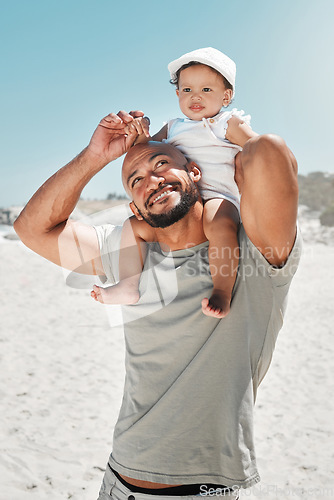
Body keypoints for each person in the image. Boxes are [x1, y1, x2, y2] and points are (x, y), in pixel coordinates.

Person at [14, 109, 300, 499]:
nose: (151, 180)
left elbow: (268, 152)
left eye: (162, 163)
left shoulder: (255, 255)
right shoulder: (128, 252)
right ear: (135, 207)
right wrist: (94, 156)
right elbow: (32, 229)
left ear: (194, 172)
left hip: (204, 489)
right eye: (136, 180)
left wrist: (224, 131)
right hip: (118, 483)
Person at [93, 48, 257, 319]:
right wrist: (138, 130)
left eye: (206, 89)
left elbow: (258, 148)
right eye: (187, 89)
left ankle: (222, 291)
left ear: (226, 96)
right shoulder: (173, 127)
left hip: (217, 196)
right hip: (182, 199)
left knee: (218, 222)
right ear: (178, 94)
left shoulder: (228, 123)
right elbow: (145, 147)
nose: (196, 96)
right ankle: (128, 285)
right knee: (132, 226)